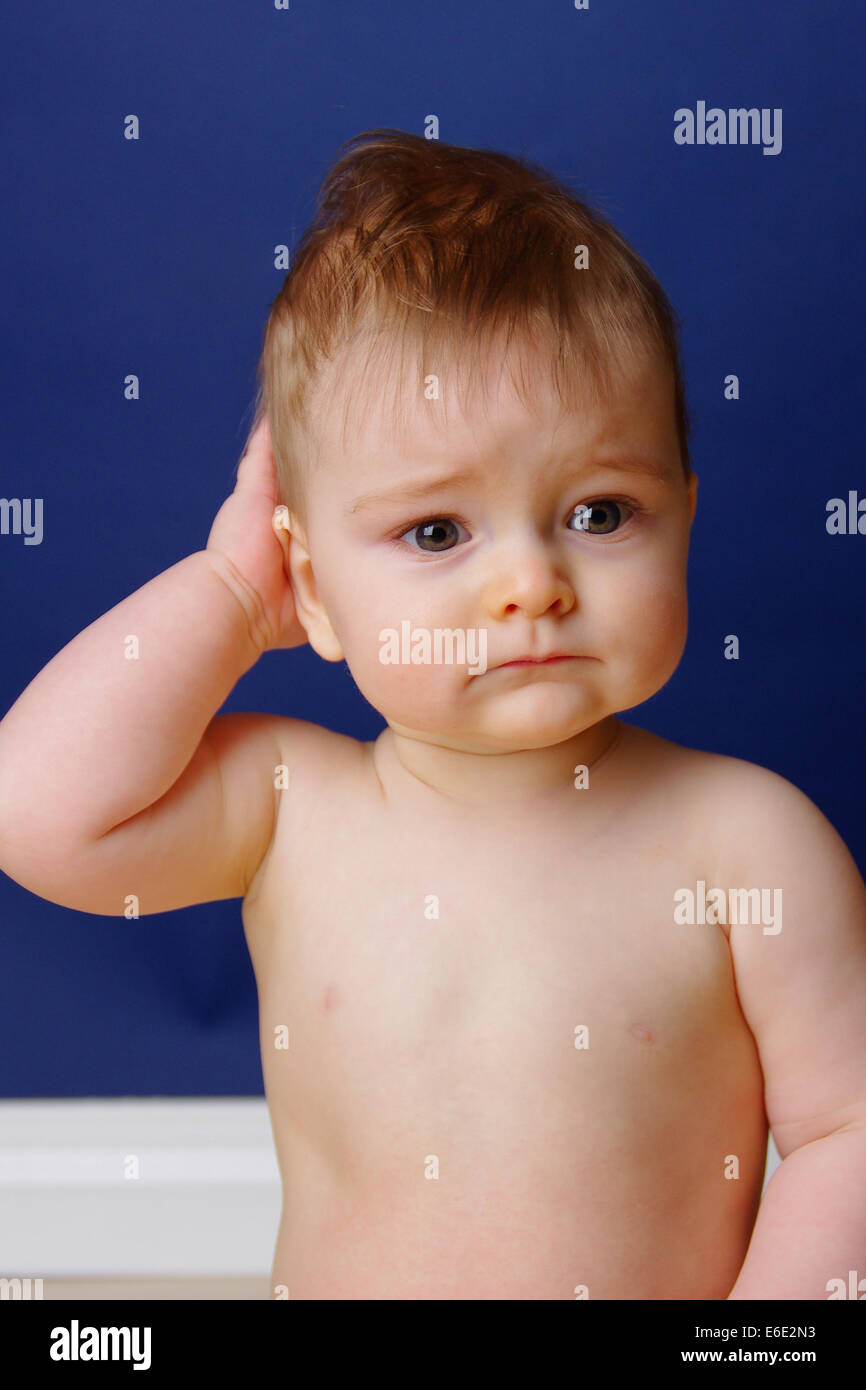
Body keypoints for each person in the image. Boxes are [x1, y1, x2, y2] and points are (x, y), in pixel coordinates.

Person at [1, 129, 864, 1300]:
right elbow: (38, 811)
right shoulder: (291, 811)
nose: (530, 582)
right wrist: (230, 594)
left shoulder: (745, 842)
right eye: (437, 531)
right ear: (313, 585)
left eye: (600, 512)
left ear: (684, 515)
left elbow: (846, 1133)